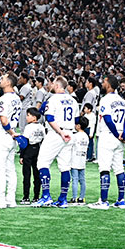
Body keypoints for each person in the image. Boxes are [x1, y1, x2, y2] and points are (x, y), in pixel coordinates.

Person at [33, 76, 78, 207]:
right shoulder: (72, 100)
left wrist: (60, 132)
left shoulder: (52, 99)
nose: (51, 85)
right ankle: (63, 199)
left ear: (57, 86)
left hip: (57, 133)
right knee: (65, 167)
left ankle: (46, 195)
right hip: (70, 132)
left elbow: (50, 118)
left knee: (42, 162)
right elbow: (76, 120)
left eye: (53, 84)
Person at [90, 75, 125, 210]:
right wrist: (123, 133)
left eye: (105, 81)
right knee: (119, 168)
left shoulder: (105, 99)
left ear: (109, 84)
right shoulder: (122, 100)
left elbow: (107, 119)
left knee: (104, 168)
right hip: (119, 137)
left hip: (108, 135)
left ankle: (104, 201)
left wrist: (116, 134)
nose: (103, 83)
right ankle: (121, 199)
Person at [0, 72, 21, 209]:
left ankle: (0, 199)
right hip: (11, 136)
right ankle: (10, 199)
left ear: (8, 83)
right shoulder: (17, 98)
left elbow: (3, 119)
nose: (1, 80)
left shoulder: (4, 98)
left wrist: (11, 132)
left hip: (3, 134)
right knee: (10, 169)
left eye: (3, 78)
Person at [20, 107, 44, 204]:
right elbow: (43, 139)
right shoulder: (41, 127)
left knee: (27, 175)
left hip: (29, 150)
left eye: (28, 115)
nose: (26, 117)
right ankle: (36, 196)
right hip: (38, 149)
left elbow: (24, 142)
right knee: (37, 175)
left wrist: (22, 155)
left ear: (34, 117)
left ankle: (26, 197)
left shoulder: (28, 127)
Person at [69, 116, 89, 205]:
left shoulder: (75, 136)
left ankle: (74, 197)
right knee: (82, 180)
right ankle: (81, 197)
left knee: (75, 180)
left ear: (78, 126)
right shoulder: (86, 136)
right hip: (82, 159)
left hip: (74, 159)